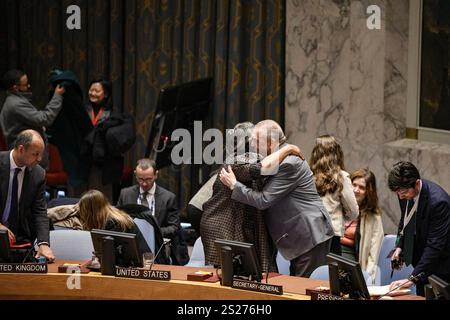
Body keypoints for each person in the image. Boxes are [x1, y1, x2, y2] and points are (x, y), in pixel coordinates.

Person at [220, 120, 334, 277]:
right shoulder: (279, 156)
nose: (252, 144)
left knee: (304, 289)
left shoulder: (289, 163)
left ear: (269, 143)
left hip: (308, 234)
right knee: (296, 285)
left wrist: (234, 185)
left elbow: (263, 200)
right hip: (297, 234)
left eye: (255, 140)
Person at [200, 122, 303, 272]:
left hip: (240, 221)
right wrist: (288, 148)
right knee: (232, 275)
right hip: (222, 224)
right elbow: (261, 169)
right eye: (256, 140)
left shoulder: (244, 158)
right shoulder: (236, 162)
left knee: (250, 271)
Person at [388, 161, 450, 296]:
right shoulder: (404, 191)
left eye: (403, 192)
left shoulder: (439, 202)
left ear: (416, 183)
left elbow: (435, 246)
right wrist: (400, 246)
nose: (400, 196)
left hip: (441, 269)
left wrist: (412, 278)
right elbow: (404, 220)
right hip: (421, 264)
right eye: (397, 193)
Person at [117, 158, 188, 265]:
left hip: (158, 247)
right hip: (131, 244)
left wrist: (153, 233)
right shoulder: (125, 194)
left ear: (156, 175)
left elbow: (174, 228)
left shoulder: (168, 198)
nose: (144, 184)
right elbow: (117, 219)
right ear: (135, 174)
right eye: (140, 179)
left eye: (148, 179)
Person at [0, 129, 55, 262]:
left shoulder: (38, 174)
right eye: (35, 154)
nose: (39, 159)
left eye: (41, 154)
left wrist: (43, 243)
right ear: (21, 149)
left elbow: (40, 211)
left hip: (20, 238)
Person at [0, 69, 65, 168]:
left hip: (27, 154)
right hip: (26, 156)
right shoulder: (16, 104)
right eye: (25, 84)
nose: (28, 86)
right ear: (15, 88)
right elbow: (44, 118)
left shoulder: (14, 100)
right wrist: (58, 96)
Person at [309, 135, 359, 256]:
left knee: (312, 274)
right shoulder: (341, 177)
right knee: (329, 273)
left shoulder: (307, 176)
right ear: (337, 153)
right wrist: (342, 216)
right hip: (332, 235)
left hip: (310, 234)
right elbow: (353, 212)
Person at [77, 189, 150, 258]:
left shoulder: (114, 223)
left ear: (91, 212)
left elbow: (110, 256)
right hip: (133, 263)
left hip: (139, 265)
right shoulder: (112, 217)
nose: (81, 213)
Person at [345, 168, 384, 283]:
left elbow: (373, 255)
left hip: (351, 264)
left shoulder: (374, 217)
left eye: (361, 187)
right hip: (329, 257)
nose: (356, 190)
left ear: (369, 192)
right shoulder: (338, 205)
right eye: (354, 185)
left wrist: (367, 279)